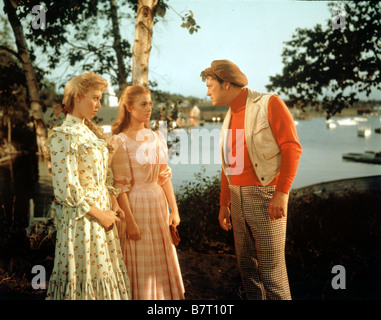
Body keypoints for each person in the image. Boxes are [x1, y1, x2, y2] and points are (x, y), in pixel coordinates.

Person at [200, 60, 302, 300]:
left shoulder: (269, 103)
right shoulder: (229, 116)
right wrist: (224, 203)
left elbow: (292, 149)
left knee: (272, 272)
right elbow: (229, 166)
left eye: (210, 85)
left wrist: (281, 193)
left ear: (226, 84)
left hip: (266, 196)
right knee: (248, 271)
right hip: (237, 197)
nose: (207, 92)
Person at [45, 72, 131, 300]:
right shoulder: (63, 136)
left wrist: (113, 203)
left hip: (103, 213)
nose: (98, 105)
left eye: (100, 99)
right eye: (95, 98)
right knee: (86, 280)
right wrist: (100, 214)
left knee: (105, 274)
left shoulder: (89, 132)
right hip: (82, 220)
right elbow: (65, 189)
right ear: (78, 97)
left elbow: (104, 177)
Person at [110, 85, 185, 300]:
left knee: (161, 259)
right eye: (143, 104)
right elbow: (120, 187)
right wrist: (130, 222)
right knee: (140, 259)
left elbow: (164, 177)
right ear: (129, 107)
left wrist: (174, 210)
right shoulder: (120, 141)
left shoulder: (158, 137)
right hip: (135, 206)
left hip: (158, 203)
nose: (149, 108)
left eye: (150, 103)